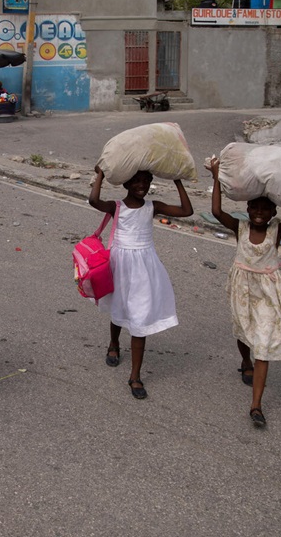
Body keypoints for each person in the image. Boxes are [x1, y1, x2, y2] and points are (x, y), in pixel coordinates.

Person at [209, 156, 281, 428]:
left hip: (267, 293)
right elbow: (218, 212)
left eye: (264, 209)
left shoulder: (276, 232)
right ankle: (244, 361)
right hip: (241, 289)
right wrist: (216, 177)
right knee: (243, 332)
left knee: (263, 345)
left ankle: (256, 405)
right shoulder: (240, 227)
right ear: (247, 208)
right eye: (254, 207)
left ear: (273, 213)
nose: (259, 213)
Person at [88, 167, 193, 399]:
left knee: (140, 317)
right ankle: (114, 343)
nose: (142, 186)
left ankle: (135, 376)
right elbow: (93, 200)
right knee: (119, 307)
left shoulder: (152, 206)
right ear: (126, 185)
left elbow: (187, 211)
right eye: (136, 181)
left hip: (145, 268)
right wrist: (101, 175)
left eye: (146, 181)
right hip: (120, 265)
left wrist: (177, 181)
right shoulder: (117, 207)